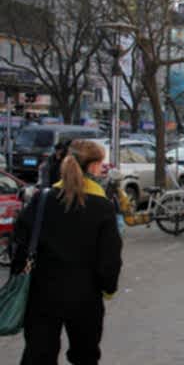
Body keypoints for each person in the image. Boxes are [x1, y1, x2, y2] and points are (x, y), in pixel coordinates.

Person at [11, 140, 122, 364]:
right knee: (85, 356)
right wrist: (108, 287)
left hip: (42, 293)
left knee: (38, 355)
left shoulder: (42, 200)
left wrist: (18, 274)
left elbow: (20, 243)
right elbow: (110, 259)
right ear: (93, 166)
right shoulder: (102, 207)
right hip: (85, 296)